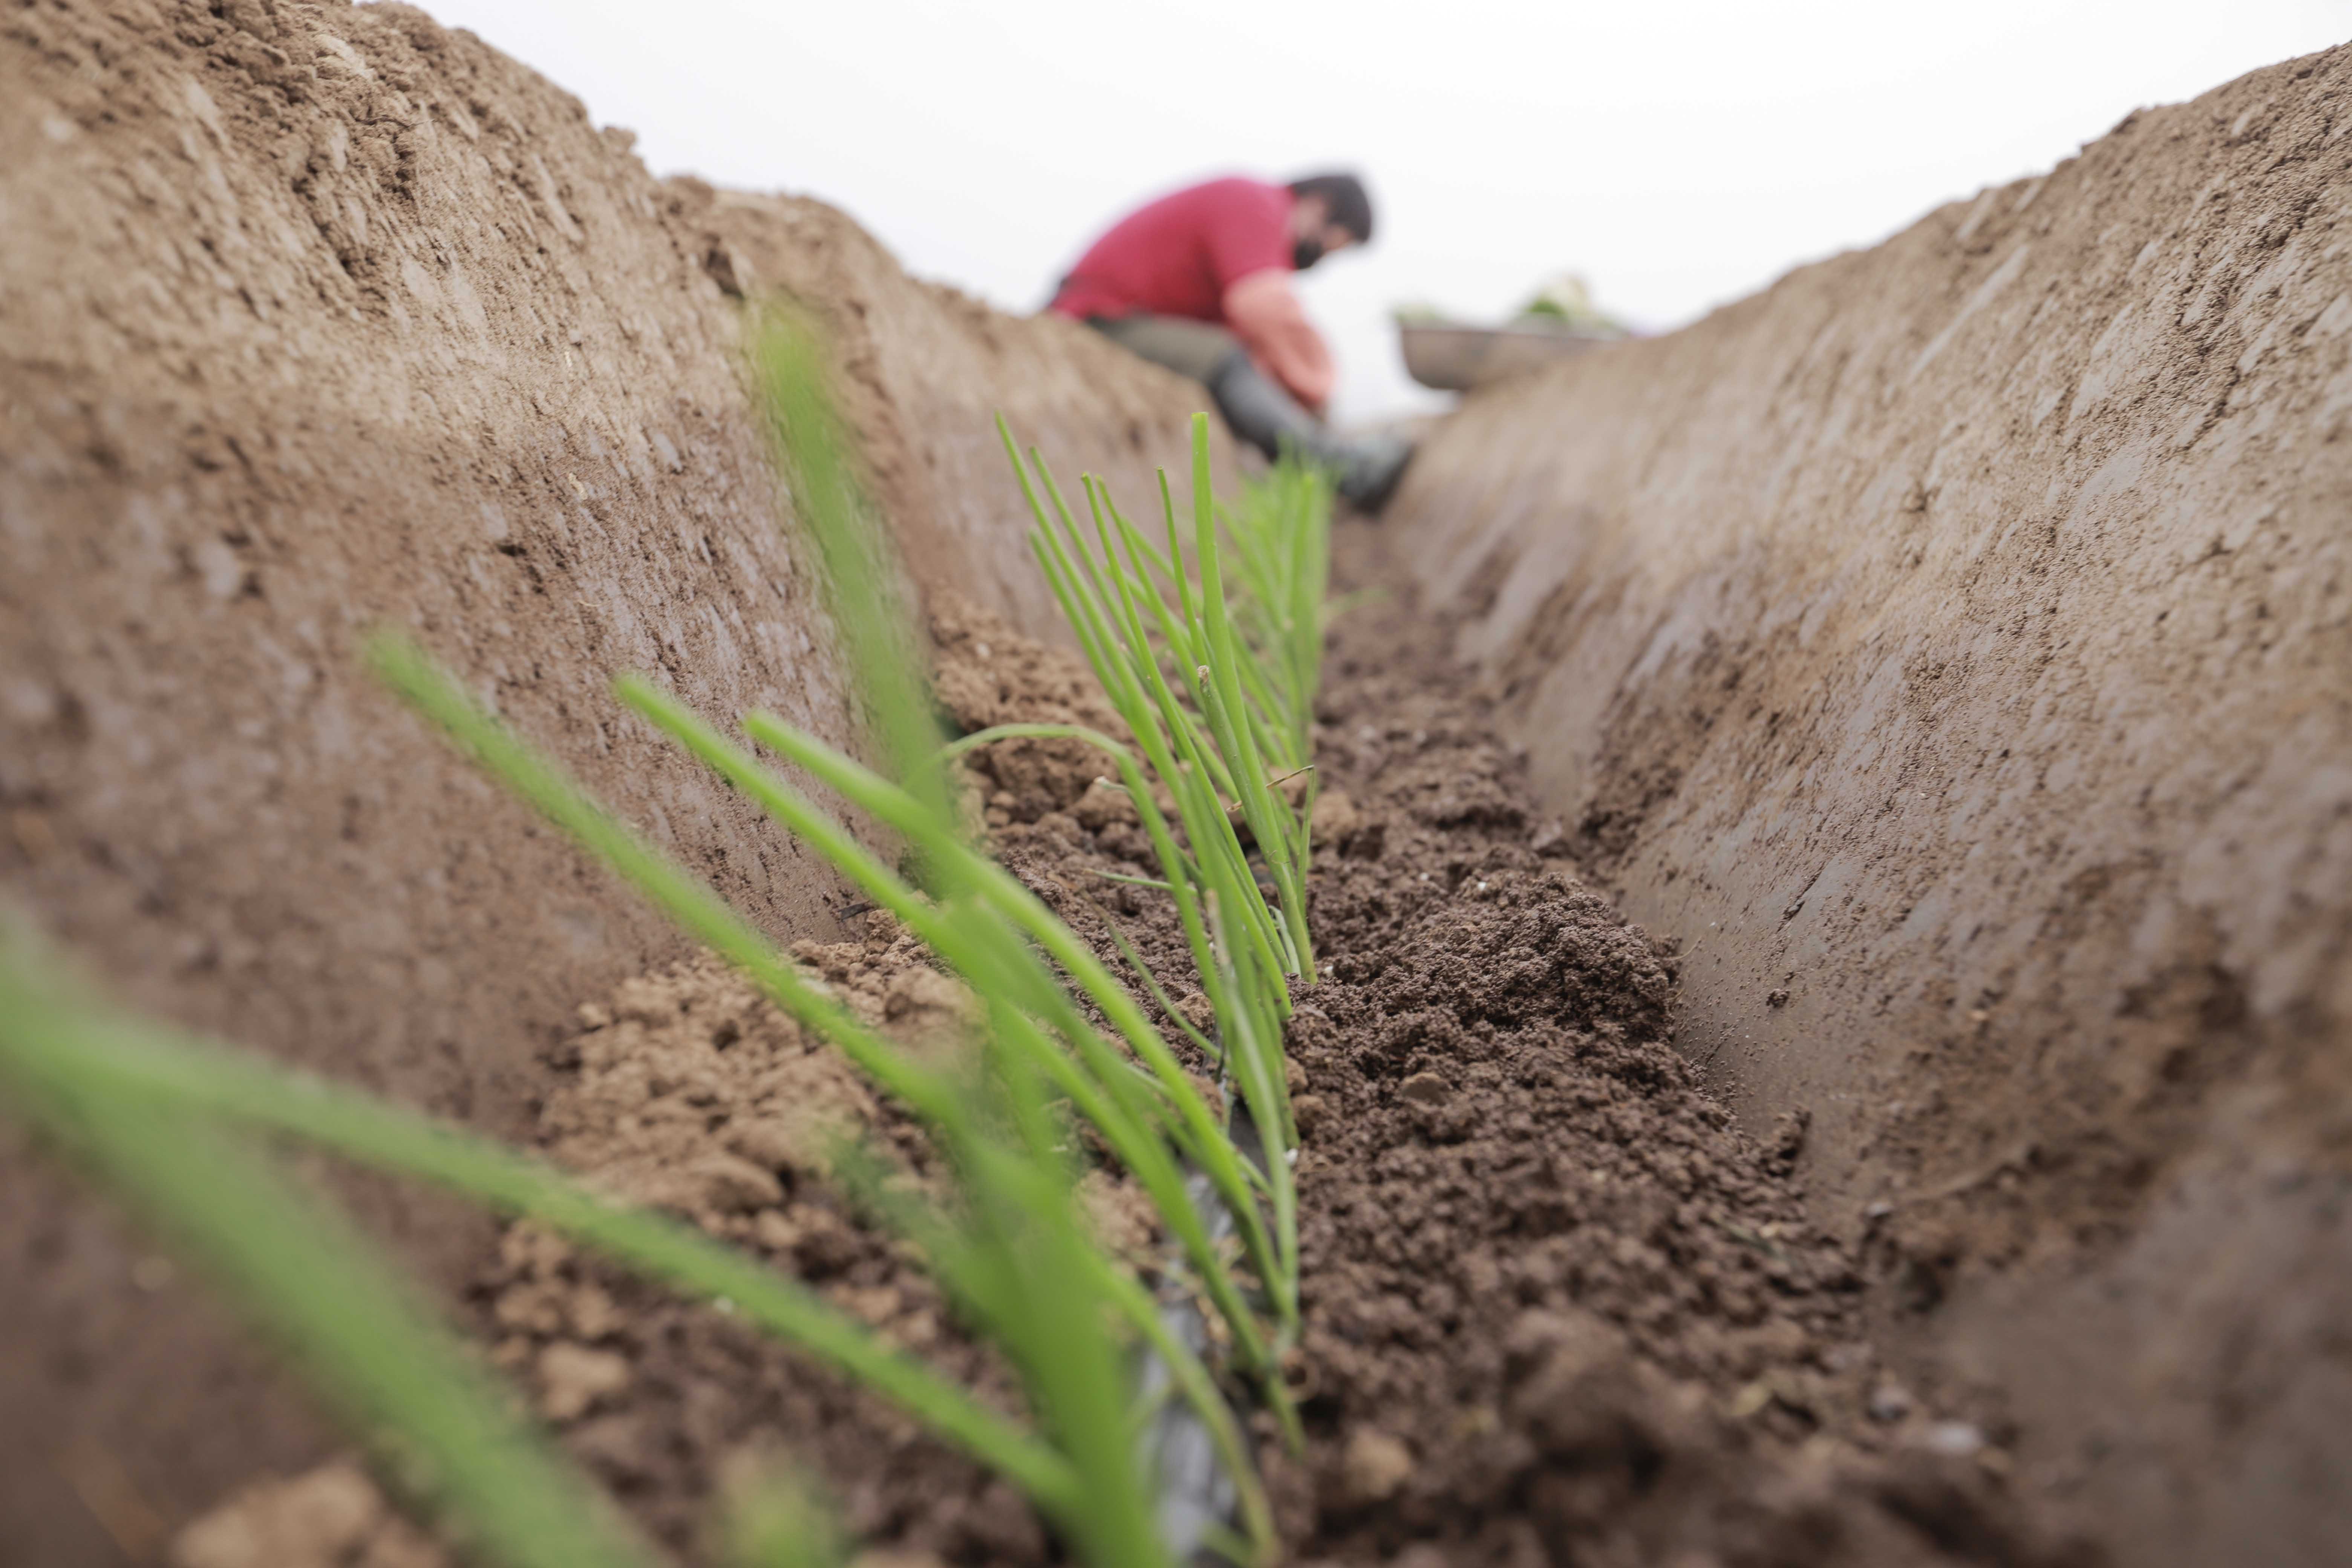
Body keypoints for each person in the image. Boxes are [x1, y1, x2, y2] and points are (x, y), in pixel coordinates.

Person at [1049, 172, 1413, 511]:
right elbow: (1262, 306)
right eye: (1332, 245)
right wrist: (1317, 380)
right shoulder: (1256, 204)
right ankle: (1340, 467)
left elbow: (1253, 332)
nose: (1323, 258)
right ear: (1318, 206)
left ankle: (1311, 472)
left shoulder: (1254, 212)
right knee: (1223, 358)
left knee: (1239, 364)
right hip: (1096, 319)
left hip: (1131, 322)